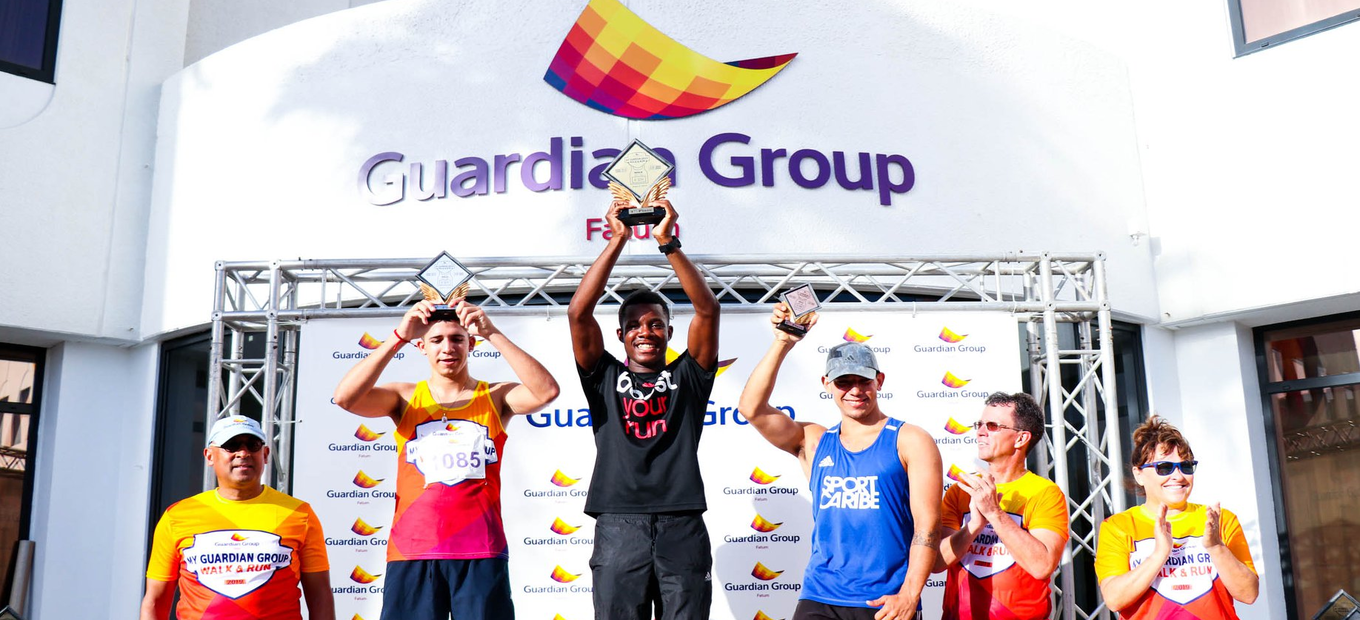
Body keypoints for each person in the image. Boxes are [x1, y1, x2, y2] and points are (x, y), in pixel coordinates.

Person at [332, 298, 560, 620]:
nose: (447, 348)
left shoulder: (494, 395)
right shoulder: (405, 397)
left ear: (471, 344)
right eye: (436, 340)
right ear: (421, 347)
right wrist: (398, 336)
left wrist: (491, 332)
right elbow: (345, 398)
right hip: (413, 550)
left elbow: (546, 391)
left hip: (480, 549)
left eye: (457, 339)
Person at [566, 196, 721, 620]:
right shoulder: (602, 375)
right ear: (620, 335)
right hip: (619, 524)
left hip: (682, 522)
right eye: (634, 325)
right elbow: (578, 313)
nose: (645, 332)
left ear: (670, 331)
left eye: (655, 324)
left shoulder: (690, 376)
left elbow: (708, 309)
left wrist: (667, 242)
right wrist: (617, 239)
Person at [737, 303, 942, 620]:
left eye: (864, 380)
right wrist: (783, 342)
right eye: (844, 382)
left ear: (879, 381)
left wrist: (910, 594)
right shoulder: (814, 440)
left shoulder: (910, 440)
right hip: (820, 596)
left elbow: (927, 526)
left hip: (885, 600)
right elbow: (752, 409)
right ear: (827, 384)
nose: (855, 390)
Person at [140, 416, 335, 620]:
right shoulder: (176, 516)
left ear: (265, 454)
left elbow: (320, 596)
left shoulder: (300, 513)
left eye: (253, 445)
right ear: (209, 456)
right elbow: (155, 601)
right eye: (231, 445)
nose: (243, 453)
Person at [1095, 416, 1259, 619]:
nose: (1178, 476)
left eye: (1186, 466)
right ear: (1139, 474)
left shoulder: (1219, 520)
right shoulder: (1119, 526)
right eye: (1164, 468)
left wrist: (1216, 547)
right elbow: (1114, 599)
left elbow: (1249, 594)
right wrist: (1159, 554)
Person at [934, 392, 1069, 620]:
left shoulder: (1045, 492)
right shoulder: (961, 490)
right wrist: (973, 526)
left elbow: (1042, 566)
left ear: (1021, 438)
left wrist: (994, 513)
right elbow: (937, 562)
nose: (980, 432)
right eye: (979, 424)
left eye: (992, 426)